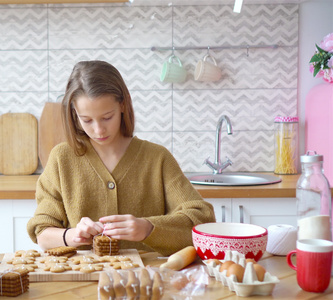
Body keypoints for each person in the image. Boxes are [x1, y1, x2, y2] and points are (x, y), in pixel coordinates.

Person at [26, 60, 215, 256]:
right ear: (74, 113)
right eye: (87, 120)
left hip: (148, 281)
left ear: (123, 104)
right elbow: (42, 232)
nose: (98, 130)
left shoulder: (157, 158)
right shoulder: (61, 158)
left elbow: (202, 220)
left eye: (107, 117)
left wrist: (148, 228)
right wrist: (72, 236)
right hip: (83, 281)